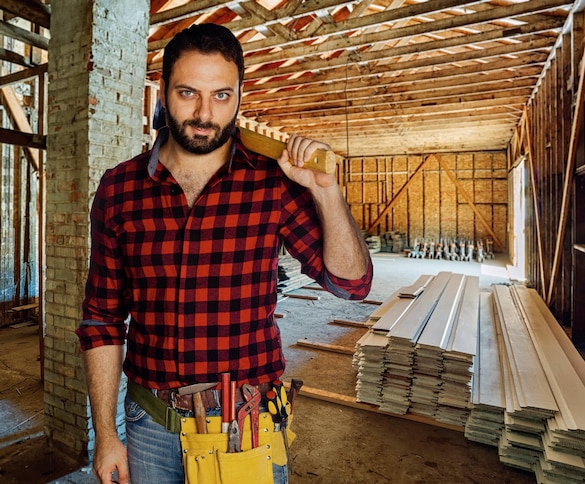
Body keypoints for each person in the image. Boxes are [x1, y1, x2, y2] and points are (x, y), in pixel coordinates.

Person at [76, 23, 373, 484]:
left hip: (245, 426)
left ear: (239, 97)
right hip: (150, 423)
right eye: (187, 92)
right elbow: (101, 320)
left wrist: (327, 195)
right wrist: (105, 435)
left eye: (220, 95)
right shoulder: (119, 189)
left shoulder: (273, 183)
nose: (203, 113)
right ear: (162, 94)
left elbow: (352, 285)